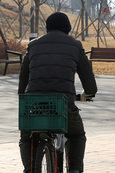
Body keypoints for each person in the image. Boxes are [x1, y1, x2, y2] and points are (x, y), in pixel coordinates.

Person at [18, 12, 98, 173]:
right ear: (68, 29)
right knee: (77, 136)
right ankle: (75, 170)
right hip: (64, 105)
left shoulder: (33, 46)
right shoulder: (75, 46)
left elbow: (22, 81)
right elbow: (90, 86)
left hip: (34, 106)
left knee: (26, 137)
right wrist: (86, 95)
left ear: (47, 28)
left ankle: (29, 169)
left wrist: (24, 96)